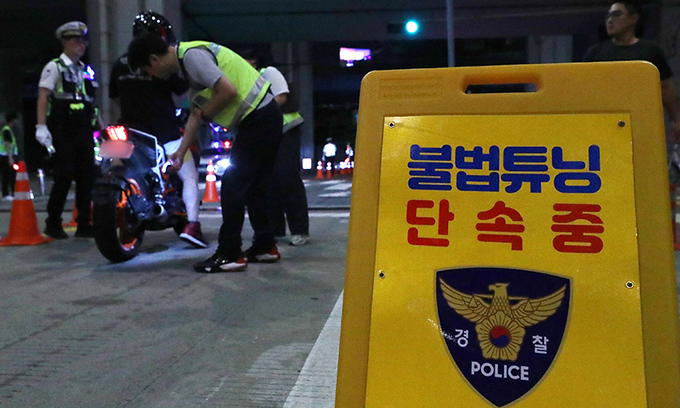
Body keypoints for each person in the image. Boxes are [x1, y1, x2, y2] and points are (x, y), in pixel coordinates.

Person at [127, 33, 283, 273]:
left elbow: (227, 91)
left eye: (148, 70)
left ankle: (230, 253)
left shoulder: (192, 57)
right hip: (264, 117)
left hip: (259, 119)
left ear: (154, 59)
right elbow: (195, 114)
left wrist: (208, 113)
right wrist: (181, 152)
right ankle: (265, 246)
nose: (152, 76)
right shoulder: (189, 66)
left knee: (232, 185)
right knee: (254, 186)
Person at [109, 11, 207, 248]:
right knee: (189, 175)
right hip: (163, 130)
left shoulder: (120, 63)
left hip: (129, 130)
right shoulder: (161, 61)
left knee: (116, 165)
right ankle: (193, 225)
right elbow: (182, 89)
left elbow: (114, 96)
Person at [583, 1, 680, 142]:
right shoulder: (595, 53)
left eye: (616, 15)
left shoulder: (649, 50)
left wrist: (677, 119)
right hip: (604, 122)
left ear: (633, 18)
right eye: (608, 16)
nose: (610, 20)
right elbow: (584, 89)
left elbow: (665, 87)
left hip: (640, 122)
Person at [36, 21, 98, 239]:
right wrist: (41, 126)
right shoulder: (55, 67)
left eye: (83, 41)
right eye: (75, 41)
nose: (81, 45)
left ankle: (84, 223)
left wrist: (100, 127)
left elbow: (91, 101)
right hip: (64, 130)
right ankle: (53, 223)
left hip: (84, 130)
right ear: (64, 42)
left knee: (87, 178)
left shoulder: (86, 70)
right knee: (63, 177)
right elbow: (44, 96)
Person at [243, 51, 310, 246]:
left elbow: (281, 97)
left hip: (286, 129)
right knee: (269, 181)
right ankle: (276, 229)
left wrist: (257, 114)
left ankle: (299, 230)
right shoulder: (247, 79)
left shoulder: (268, 72)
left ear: (253, 60)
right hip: (267, 133)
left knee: (287, 178)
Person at [0, 112, 20, 200]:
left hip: (8, 155)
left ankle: (11, 193)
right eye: (16, 119)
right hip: (6, 156)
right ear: (13, 120)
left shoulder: (8, 130)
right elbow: (7, 143)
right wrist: (10, 157)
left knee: (10, 174)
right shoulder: (6, 130)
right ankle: (6, 194)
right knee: (8, 175)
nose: (17, 121)